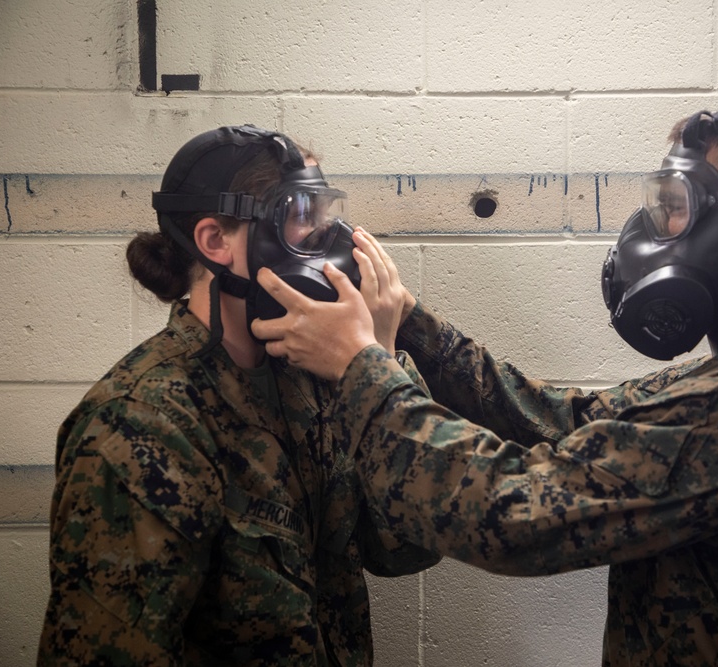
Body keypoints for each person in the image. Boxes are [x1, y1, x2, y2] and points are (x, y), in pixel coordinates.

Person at [251, 104, 718, 665]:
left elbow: (509, 512)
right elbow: (558, 418)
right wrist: (408, 325)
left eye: (679, 207)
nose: (659, 230)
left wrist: (363, 365)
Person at [39, 125, 439, 666]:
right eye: (301, 218)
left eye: (325, 218)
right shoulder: (139, 426)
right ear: (215, 242)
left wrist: (380, 360)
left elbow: (404, 548)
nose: (330, 246)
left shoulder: (316, 376)